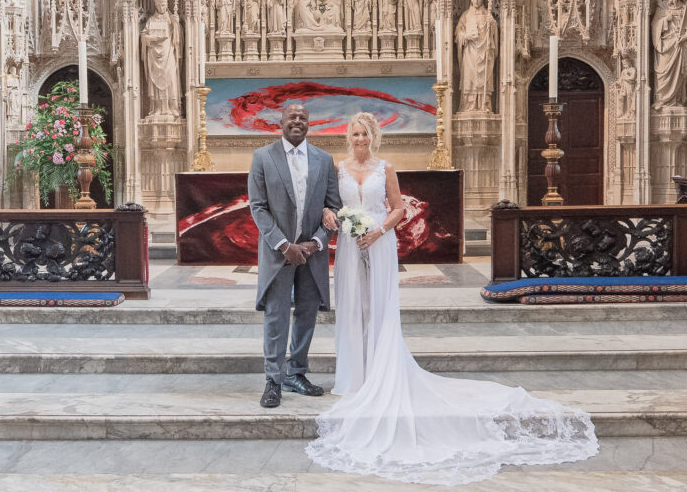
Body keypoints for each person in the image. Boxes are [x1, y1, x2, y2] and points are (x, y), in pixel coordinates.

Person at [305, 112, 599, 485]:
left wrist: (378, 231)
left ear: (374, 137)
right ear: (348, 136)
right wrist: (332, 215)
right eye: (354, 133)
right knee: (350, 308)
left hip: (379, 243)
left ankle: (380, 370)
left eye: (365, 133)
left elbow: (398, 208)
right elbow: (329, 204)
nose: (359, 138)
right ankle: (353, 378)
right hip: (349, 243)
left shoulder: (386, 168)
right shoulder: (337, 169)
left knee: (378, 308)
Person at [248, 104, 341, 408]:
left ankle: (296, 373)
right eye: (292, 117)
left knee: (306, 314)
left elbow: (334, 208)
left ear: (309, 124)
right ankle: (273, 380)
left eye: (303, 118)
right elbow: (258, 207)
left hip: (312, 253)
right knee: (276, 315)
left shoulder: (324, 160)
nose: (297, 121)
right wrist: (284, 245)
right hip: (279, 253)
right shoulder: (263, 157)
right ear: (282, 122)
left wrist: (315, 242)